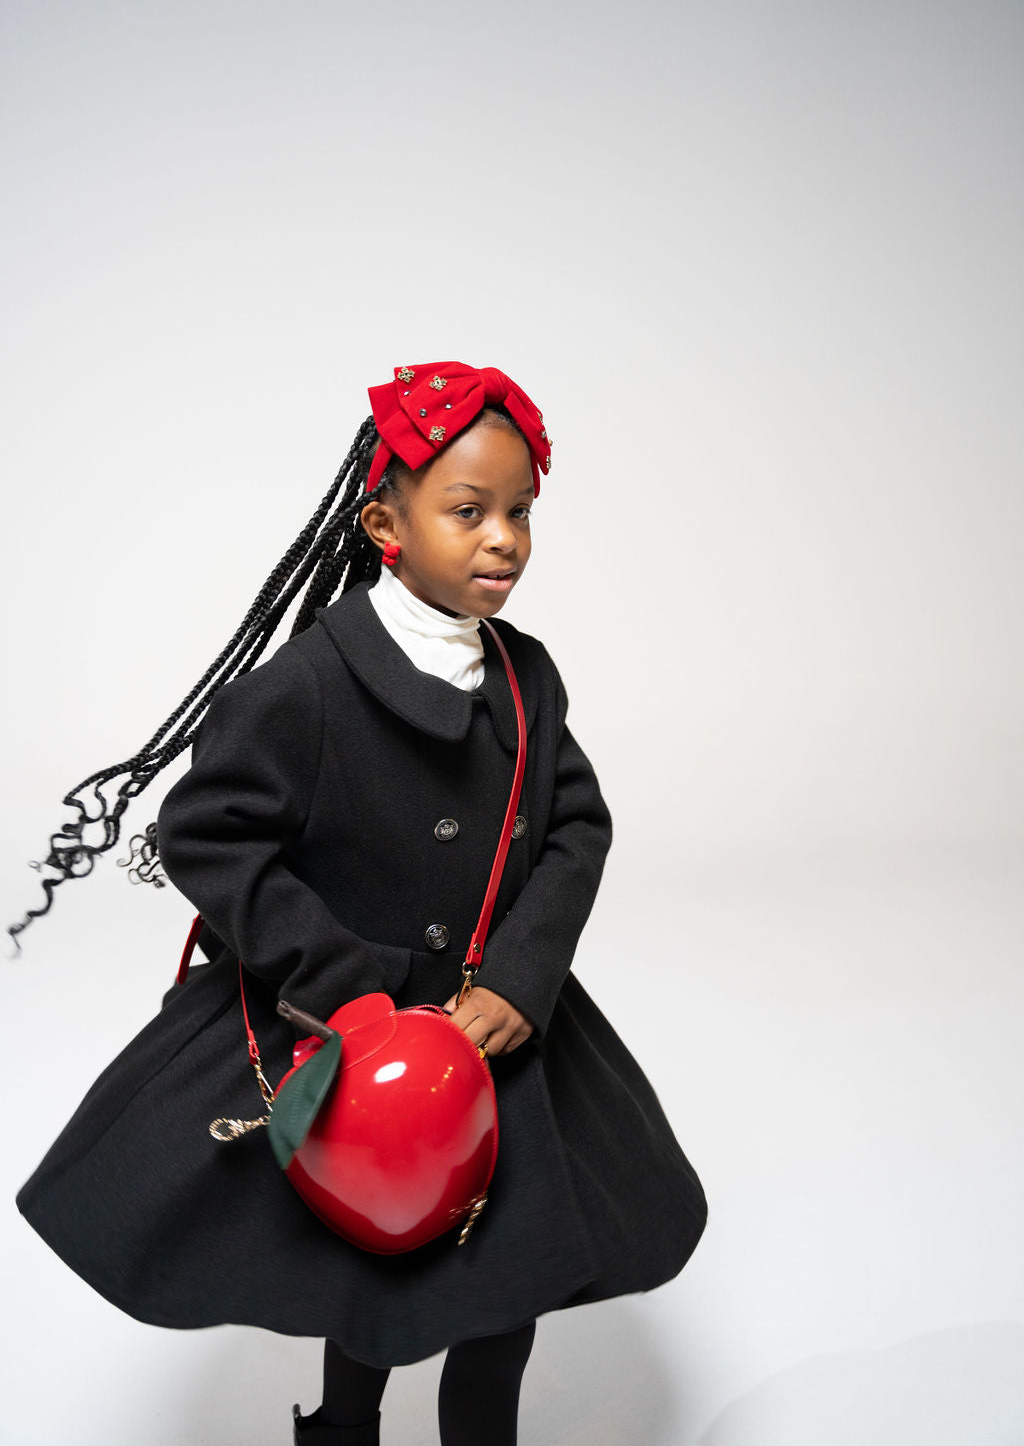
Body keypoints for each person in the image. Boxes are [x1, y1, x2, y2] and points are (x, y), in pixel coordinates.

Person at [14, 361, 708, 1446]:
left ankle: (483, 1431)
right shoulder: (308, 684)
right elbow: (205, 833)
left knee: (505, 1260)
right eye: (468, 511)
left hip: (493, 1034)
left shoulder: (527, 678)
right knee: (372, 1267)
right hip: (350, 1033)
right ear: (387, 521)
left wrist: (523, 979)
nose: (503, 540)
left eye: (520, 512)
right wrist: (341, 983)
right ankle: (344, 1427)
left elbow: (577, 826)